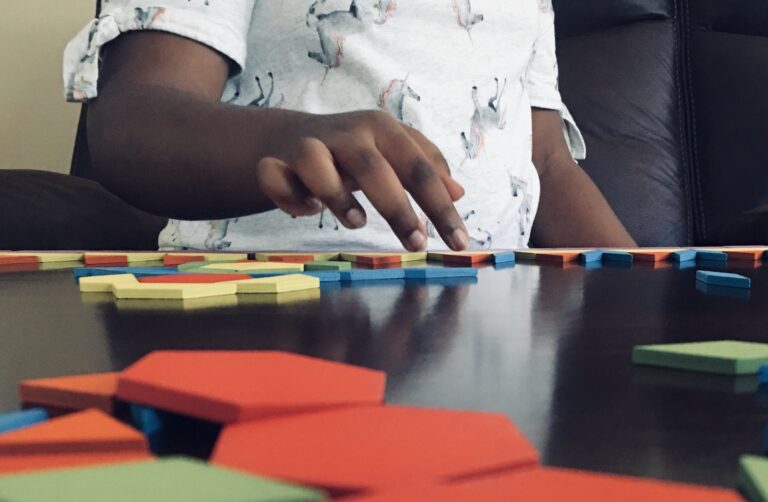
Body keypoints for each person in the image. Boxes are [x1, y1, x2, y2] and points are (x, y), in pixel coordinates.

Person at [64, 0, 636, 252]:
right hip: (267, 306)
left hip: (496, 327)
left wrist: (659, 292)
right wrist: (286, 140)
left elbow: (546, 162)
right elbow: (132, 117)